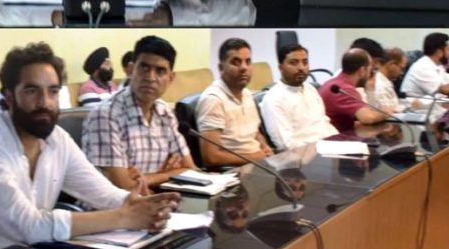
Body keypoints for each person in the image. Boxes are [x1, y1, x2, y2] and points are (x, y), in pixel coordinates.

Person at [0, 43, 179, 249]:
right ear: (9, 96)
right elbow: (30, 226)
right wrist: (124, 217)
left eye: (53, 91)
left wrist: (138, 204)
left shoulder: (57, 139)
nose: (45, 102)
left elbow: (103, 193)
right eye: (32, 90)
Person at [82, 35, 196, 190]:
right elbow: (124, 186)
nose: (150, 77)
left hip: (155, 198)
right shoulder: (105, 116)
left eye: (160, 71)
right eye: (144, 67)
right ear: (131, 70)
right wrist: (170, 173)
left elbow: (190, 168)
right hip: (112, 204)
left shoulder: (165, 113)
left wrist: (149, 178)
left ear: (171, 78)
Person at [195, 38, 273, 167]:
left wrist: (265, 147)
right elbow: (211, 157)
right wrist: (254, 158)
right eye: (236, 62)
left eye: (248, 62)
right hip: (233, 170)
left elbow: (255, 133)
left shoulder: (247, 94)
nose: (244, 67)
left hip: (257, 165)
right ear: (221, 68)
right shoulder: (213, 100)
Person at [260, 44, 337, 150]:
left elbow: (325, 123)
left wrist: (339, 141)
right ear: (280, 68)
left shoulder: (311, 89)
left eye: (305, 62)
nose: (301, 68)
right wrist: (322, 148)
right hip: (304, 155)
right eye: (294, 63)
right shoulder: (274, 99)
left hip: (329, 148)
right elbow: (286, 145)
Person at [319, 49, 391, 133]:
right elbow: (367, 118)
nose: (370, 74)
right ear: (362, 71)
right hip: (334, 138)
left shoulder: (334, 82)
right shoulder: (343, 89)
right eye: (369, 70)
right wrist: (386, 113)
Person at [400, 32, 449, 98]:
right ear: (438, 51)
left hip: (433, 103)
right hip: (416, 104)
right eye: (447, 49)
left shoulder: (438, 65)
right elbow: (445, 90)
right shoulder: (423, 67)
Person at [368, 48, 409, 113]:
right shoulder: (380, 85)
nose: (402, 73)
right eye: (402, 68)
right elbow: (387, 113)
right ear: (391, 64)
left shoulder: (385, 81)